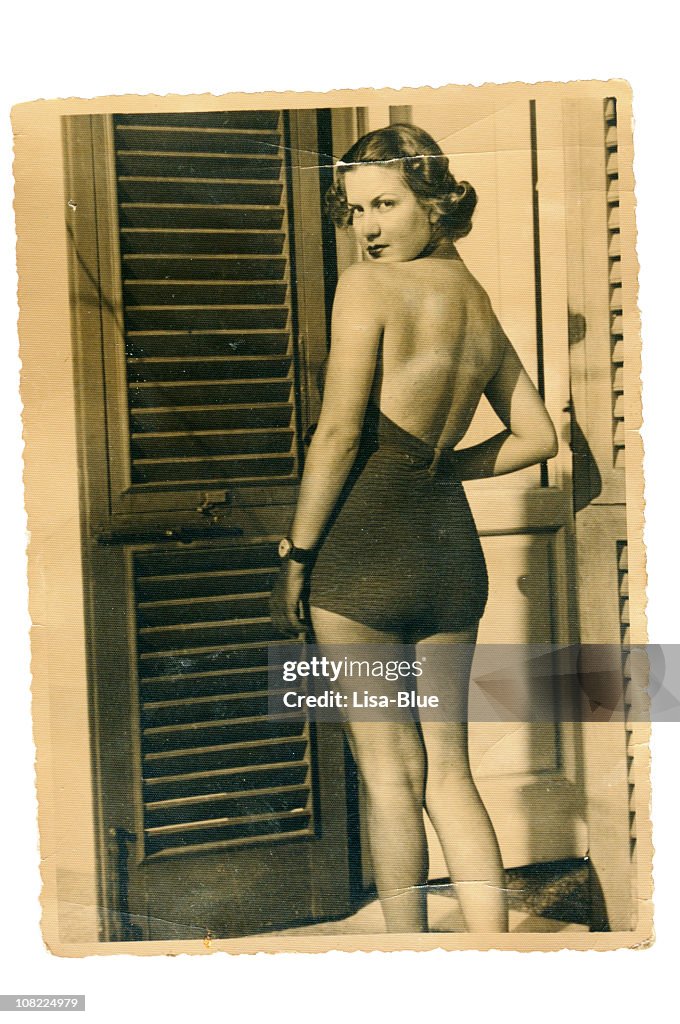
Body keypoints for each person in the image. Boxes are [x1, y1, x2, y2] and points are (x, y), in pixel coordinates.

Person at [270, 124, 558, 933]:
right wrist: (440, 471)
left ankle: (406, 974)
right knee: (451, 773)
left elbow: (334, 437)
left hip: (361, 556)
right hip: (448, 557)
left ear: (433, 201)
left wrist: (296, 556)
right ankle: (494, 959)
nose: (368, 226)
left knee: (391, 777)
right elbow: (538, 437)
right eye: (357, 207)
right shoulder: (474, 300)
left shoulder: (368, 288)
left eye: (387, 203)